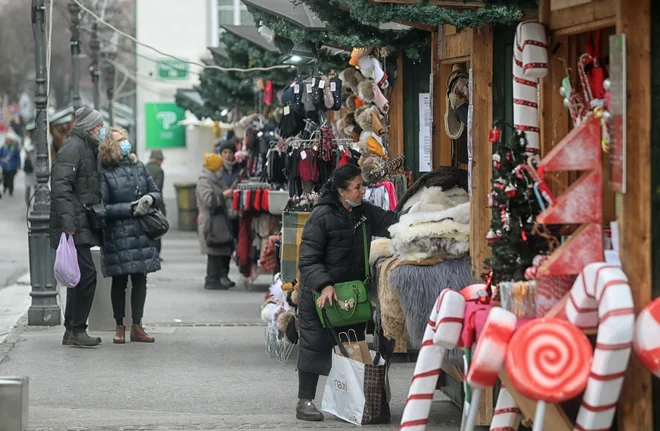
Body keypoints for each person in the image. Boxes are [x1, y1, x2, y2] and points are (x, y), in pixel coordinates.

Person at [295, 163, 399, 421]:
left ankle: (351, 400)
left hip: (350, 297)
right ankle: (304, 402)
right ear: (342, 191)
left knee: (352, 345)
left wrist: (418, 220)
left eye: (362, 185)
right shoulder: (322, 216)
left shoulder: (363, 213)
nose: (363, 191)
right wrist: (324, 284)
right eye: (357, 187)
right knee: (314, 346)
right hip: (320, 295)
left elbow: (391, 223)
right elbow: (307, 259)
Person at [98, 127, 162, 344]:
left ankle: (137, 325)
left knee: (140, 279)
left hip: (140, 231)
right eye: (119, 140)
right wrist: (129, 208)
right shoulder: (105, 171)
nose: (125, 143)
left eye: (126, 138)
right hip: (117, 234)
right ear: (110, 146)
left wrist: (149, 200)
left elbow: (155, 191)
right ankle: (119, 327)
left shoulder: (138, 166)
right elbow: (103, 207)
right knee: (119, 281)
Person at [50, 107, 106, 347]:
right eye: (100, 126)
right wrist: (69, 224)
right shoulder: (74, 148)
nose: (102, 131)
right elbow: (61, 186)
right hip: (75, 222)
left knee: (78, 275)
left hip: (80, 220)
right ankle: (78, 329)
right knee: (86, 276)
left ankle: (71, 329)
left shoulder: (85, 147)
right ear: (90, 128)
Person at [196, 152, 236, 290]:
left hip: (217, 219)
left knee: (218, 249)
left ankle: (216, 278)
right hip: (210, 221)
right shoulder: (204, 181)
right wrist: (223, 195)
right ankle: (211, 279)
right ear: (214, 168)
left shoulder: (215, 180)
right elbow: (208, 200)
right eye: (219, 167)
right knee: (213, 249)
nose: (221, 169)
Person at [145, 149, 165, 259]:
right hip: (156, 204)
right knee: (158, 229)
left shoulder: (144, 167)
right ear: (159, 160)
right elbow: (158, 188)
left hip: (144, 203)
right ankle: (156, 253)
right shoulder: (159, 171)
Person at [0, 131, 22, 196]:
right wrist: (2, 160)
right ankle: (5, 187)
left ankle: (11, 190)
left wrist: (18, 165)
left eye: (10, 140)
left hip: (12, 166)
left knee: (11, 179)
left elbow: (18, 157)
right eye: (7, 140)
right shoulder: (3, 147)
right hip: (5, 166)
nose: (8, 141)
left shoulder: (14, 148)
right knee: (5, 178)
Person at [22, 121, 37, 205]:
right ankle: (29, 201)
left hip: (31, 167)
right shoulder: (30, 140)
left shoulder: (30, 140)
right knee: (32, 186)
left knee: (31, 186)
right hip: (31, 166)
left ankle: (29, 201)